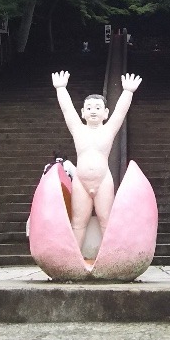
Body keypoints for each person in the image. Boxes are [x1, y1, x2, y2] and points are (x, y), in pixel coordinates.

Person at [51, 70, 142, 249]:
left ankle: (110, 257)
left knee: (106, 220)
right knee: (78, 223)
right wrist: (61, 88)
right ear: (83, 112)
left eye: (98, 108)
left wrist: (127, 92)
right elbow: (67, 110)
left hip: (103, 181)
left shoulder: (108, 130)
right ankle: (74, 259)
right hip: (81, 181)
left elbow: (120, 113)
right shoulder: (78, 129)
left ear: (105, 113)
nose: (93, 111)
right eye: (90, 108)